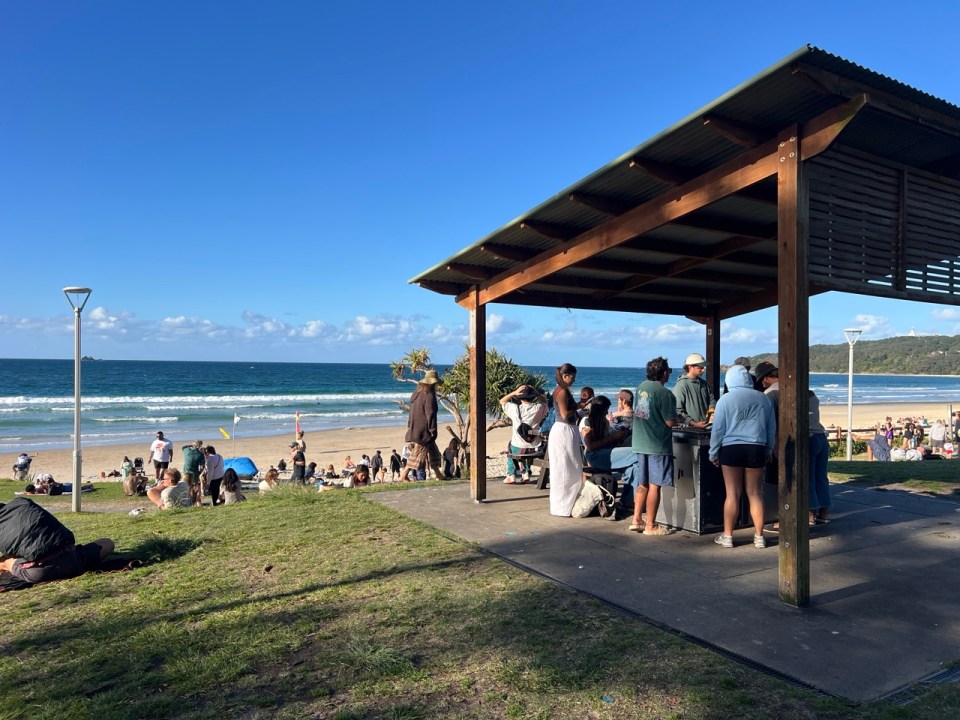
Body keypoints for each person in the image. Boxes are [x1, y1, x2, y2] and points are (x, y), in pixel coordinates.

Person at [709, 364, 776, 549]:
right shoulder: (763, 399)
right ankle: (759, 537)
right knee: (755, 494)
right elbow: (771, 428)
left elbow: (718, 429)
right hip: (756, 447)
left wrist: (713, 452)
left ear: (729, 380)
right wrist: (768, 449)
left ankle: (728, 536)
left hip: (731, 448)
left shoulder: (726, 399)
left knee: (732, 494)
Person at [0, 497, 114, 591]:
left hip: (38, 571)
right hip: (71, 558)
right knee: (108, 543)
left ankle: (8, 565)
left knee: (4, 561)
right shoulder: (23, 504)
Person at [630, 357, 678, 536]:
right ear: (664, 372)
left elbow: (642, 412)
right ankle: (651, 524)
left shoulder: (641, 387)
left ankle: (636, 519)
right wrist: (680, 419)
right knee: (655, 485)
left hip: (640, 442)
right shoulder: (665, 393)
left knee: (642, 484)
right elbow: (670, 422)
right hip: (657, 444)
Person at [548, 363, 583, 517]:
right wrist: (578, 408)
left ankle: (564, 505)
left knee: (567, 467)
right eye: (572, 377)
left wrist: (579, 405)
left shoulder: (560, 391)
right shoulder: (561, 392)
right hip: (564, 430)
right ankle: (563, 507)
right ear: (565, 376)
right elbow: (565, 414)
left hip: (564, 430)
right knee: (566, 468)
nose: (573, 380)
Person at [499, 384, 547, 483]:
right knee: (527, 445)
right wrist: (536, 392)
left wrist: (514, 392)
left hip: (518, 447)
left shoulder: (514, 408)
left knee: (511, 447)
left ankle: (511, 474)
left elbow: (502, 401)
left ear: (520, 398)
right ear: (532, 397)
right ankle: (526, 473)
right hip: (534, 447)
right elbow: (545, 402)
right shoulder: (539, 408)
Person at [405, 369, 444, 481]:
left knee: (433, 451)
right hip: (424, 431)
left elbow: (411, 412)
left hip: (415, 428)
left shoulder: (416, 394)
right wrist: (432, 430)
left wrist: (409, 426)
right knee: (418, 454)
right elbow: (430, 414)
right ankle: (404, 475)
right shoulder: (429, 395)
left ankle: (438, 474)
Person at [580, 395, 628, 469]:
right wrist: (611, 438)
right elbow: (590, 446)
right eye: (605, 409)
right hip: (594, 456)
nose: (607, 412)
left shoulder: (604, 422)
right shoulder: (587, 421)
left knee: (634, 466)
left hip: (605, 450)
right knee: (632, 454)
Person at [673, 353, 716, 427]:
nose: (703, 370)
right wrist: (694, 423)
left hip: (705, 428)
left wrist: (710, 416)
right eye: (700, 367)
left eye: (703, 367)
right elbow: (678, 410)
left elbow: (712, 401)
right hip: (689, 432)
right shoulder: (681, 385)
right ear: (690, 368)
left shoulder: (704, 383)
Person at [808, 390, 831, 524]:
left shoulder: (798, 396)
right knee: (821, 477)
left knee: (809, 477)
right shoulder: (812, 395)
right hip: (820, 435)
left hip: (809, 436)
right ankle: (824, 511)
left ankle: (810, 512)